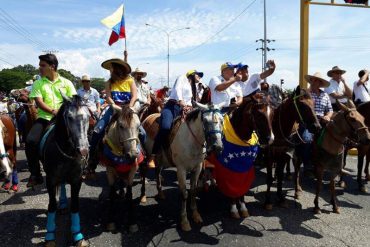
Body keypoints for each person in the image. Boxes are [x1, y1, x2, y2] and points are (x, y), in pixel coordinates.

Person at [26, 53, 77, 187]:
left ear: (52, 67)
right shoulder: (38, 83)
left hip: (65, 119)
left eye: (43, 65)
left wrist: (62, 113)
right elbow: (39, 102)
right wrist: (54, 111)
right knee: (30, 141)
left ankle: (84, 166)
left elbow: (73, 101)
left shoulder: (67, 83)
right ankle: (35, 174)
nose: (40, 68)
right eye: (40, 65)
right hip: (45, 118)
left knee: (83, 135)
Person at [88, 58, 139, 175]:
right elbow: (108, 97)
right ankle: (92, 161)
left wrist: (129, 107)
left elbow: (134, 95)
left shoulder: (130, 80)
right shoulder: (108, 82)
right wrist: (114, 105)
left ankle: (145, 158)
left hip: (128, 108)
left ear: (118, 69)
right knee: (97, 131)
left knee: (141, 132)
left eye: (112, 68)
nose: (110, 71)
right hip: (114, 108)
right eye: (110, 69)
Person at [150, 70, 202, 162]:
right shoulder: (182, 77)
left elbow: (192, 101)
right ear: (192, 74)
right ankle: (153, 155)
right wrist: (181, 100)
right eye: (198, 75)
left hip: (187, 109)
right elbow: (177, 89)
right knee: (165, 127)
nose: (200, 77)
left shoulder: (194, 87)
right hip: (172, 107)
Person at [297, 72, 333, 176]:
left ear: (320, 83)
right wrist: (307, 91)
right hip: (308, 121)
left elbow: (330, 109)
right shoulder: (305, 93)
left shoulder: (325, 95)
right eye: (313, 80)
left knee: (336, 138)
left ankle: (331, 163)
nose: (314, 82)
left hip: (322, 120)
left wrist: (328, 116)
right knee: (307, 139)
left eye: (317, 80)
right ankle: (307, 164)